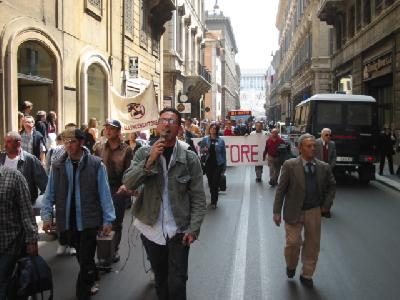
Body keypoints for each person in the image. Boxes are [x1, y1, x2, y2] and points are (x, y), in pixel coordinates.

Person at [123, 108, 206, 300]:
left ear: (178, 129)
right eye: (163, 120)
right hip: (151, 228)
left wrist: (193, 228)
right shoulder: (144, 152)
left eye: (172, 121)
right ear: (157, 125)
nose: (167, 124)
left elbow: (198, 196)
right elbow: (129, 183)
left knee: (177, 281)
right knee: (160, 279)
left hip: (179, 229)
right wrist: (150, 160)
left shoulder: (189, 158)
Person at [41, 128, 115, 299]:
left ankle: (83, 292)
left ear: (81, 142)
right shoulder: (57, 165)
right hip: (67, 220)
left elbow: (104, 194)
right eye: (65, 141)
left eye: (72, 141)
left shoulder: (96, 164)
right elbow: (50, 192)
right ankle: (92, 275)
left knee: (86, 256)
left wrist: (108, 220)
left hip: (89, 219)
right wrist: (46, 216)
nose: (68, 145)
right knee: (83, 257)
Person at [273, 133, 336, 288]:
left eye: (314, 146)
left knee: (312, 245)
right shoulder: (289, 165)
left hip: (314, 210)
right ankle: (291, 265)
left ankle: (307, 274)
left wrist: (326, 206)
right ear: (300, 148)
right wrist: (276, 212)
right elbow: (281, 190)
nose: (313, 149)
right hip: (294, 210)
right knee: (293, 243)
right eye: (309, 146)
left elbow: (332, 186)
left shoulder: (323, 167)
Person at [94, 119, 133, 268]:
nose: (108, 131)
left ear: (118, 131)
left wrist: (126, 187)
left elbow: (130, 171)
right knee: (100, 221)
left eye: (111, 128)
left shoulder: (126, 150)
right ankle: (103, 252)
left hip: (118, 189)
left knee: (116, 222)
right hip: (100, 188)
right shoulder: (98, 148)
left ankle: (113, 250)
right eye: (106, 128)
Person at [0, 166, 38, 298]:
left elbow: (26, 210)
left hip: (9, 243)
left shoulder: (14, 177)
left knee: (4, 283)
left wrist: (31, 240)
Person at [0, 131, 47, 205]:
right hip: (4, 208)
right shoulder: (1, 158)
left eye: (8, 142)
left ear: (18, 143)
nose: (5, 145)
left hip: (24, 206)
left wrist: (37, 204)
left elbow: (45, 185)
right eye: (5, 141)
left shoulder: (30, 159)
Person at [200, 123, 227, 209]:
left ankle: (214, 201)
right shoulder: (205, 139)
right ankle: (213, 197)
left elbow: (223, 153)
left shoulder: (221, 141)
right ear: (209, 129)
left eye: (215, 129)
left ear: (217, 130)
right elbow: (201, 149)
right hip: (208, 164)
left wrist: (224, 166)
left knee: (215, 183)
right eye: (212, 128)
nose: (213, 130)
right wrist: (204, 149)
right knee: (210, 183)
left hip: (218, 164)